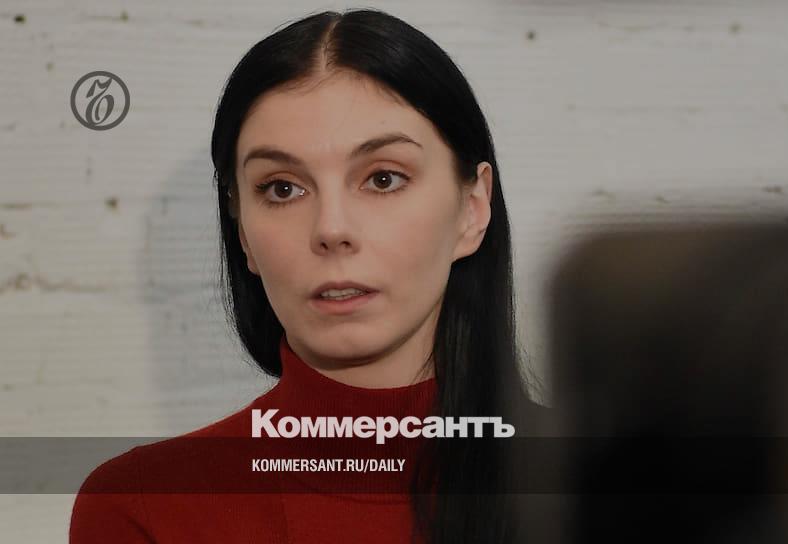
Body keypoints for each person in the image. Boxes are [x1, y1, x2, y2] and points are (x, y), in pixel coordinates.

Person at [70, 8, 546, 544]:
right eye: (282, 189)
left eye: (383, 179)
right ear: (243, 233)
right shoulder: (144, 508)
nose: (331, 229)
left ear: (473, 208)